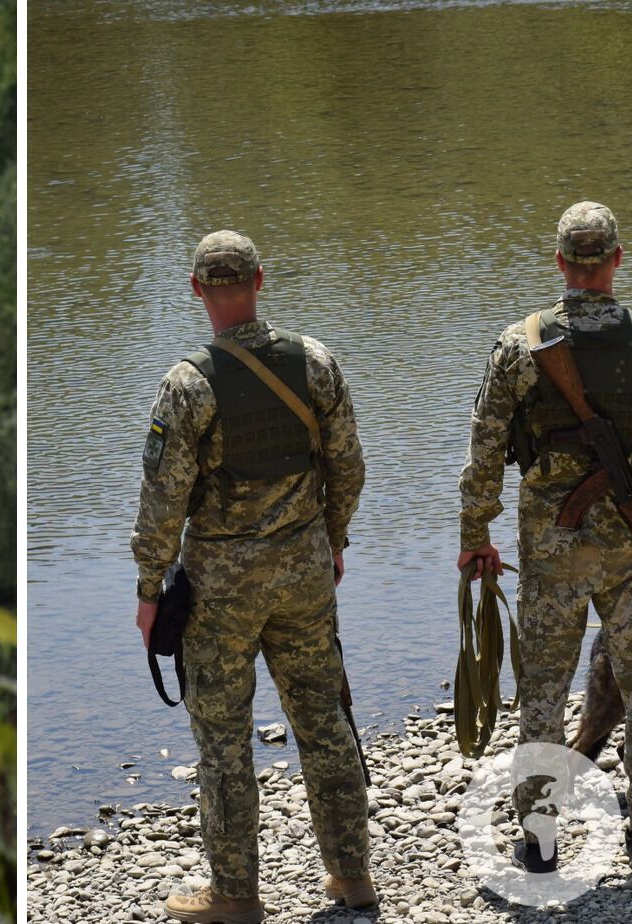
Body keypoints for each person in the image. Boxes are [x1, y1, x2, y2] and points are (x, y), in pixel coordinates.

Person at [457, 201, 632, 872]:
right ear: (618, 261)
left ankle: (540, 840)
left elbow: (484, 450)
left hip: (552, 552)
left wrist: (474, 533)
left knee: (542, 694)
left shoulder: (519, 345)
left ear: (561, 263)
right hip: (630, 554)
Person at [133, 230, 374, 923]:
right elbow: (349, 467)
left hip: (220, 593)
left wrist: (150, 590)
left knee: (224, 741)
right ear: (260, 280)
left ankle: (236, 896)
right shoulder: (316, 364)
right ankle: (352, 877)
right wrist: (329, 541)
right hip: (303, 577)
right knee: (325, 723)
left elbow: (161, 504)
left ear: (197, 289)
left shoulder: (189, 384)